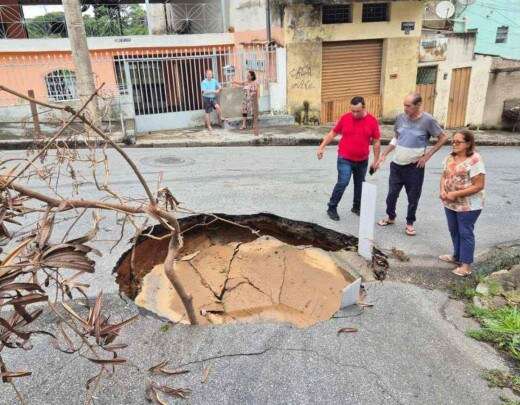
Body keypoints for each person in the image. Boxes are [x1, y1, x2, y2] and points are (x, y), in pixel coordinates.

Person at [375, 93, 448, 236]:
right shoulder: (400, 118)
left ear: (418, 105)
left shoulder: (428, 120)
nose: (405, 108)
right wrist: (384, 154)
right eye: (404, 105)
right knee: (391, 195)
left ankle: (409, 223)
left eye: (408, 106)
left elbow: (443, 137)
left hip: (414, 168)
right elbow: (397, 138)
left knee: (413, 197)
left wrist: (428, 155)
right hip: (396, 165)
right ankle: (391, 217)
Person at [317, 96, 381, 221]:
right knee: (343, 181)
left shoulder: (372, 121)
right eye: (352, 111)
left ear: (364, 107)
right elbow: (333, 133)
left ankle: (356, 207)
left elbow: (376, 141)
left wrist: (376, 160)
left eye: (357, 111)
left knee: (359, 184)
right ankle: (332, 207)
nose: (355, 114)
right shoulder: (345, 118)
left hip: (362, 159)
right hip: (345, 158)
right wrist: (321, 147)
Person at [439, 130, 485, 277]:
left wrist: (454, 194)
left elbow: (479, 185)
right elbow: (444, 176)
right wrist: (442, 190)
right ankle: (457, 256)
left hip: (469, 205)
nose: (454, 144)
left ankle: (466, 266)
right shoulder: (449, 158)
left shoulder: (475, 159)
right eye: (453, 141)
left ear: (468, 143)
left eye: (458, 142)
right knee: (454, 230)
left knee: (465, 232)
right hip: (450, 203)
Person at [233, 70, 259, 136]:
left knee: (253, 112)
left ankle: (254, 124)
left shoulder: (255, 83)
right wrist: (235, 82)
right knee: (244, 111)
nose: (247, 76)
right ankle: (244, 125)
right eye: (247, 75)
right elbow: (241, 83)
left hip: (252, 99)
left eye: (248, 75)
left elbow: (256, 91)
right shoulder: (246, 82)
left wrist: (251, 94)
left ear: (252, 76)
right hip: (245, 99)